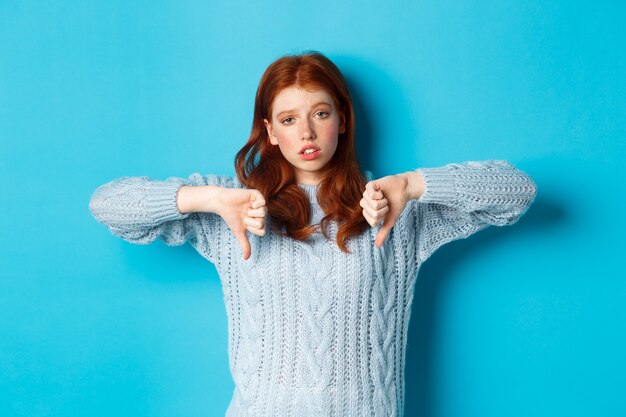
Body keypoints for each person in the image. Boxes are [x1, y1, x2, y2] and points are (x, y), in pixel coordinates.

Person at [89, 51, 537, 417]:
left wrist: (414, 185)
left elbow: (518, 190)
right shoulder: (235, 207)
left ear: (342, 119)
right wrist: (206, 199)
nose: (306, 132)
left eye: (320, 113)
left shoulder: (390, 205)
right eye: (288, 119)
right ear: (269, 131)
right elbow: (108, 205)